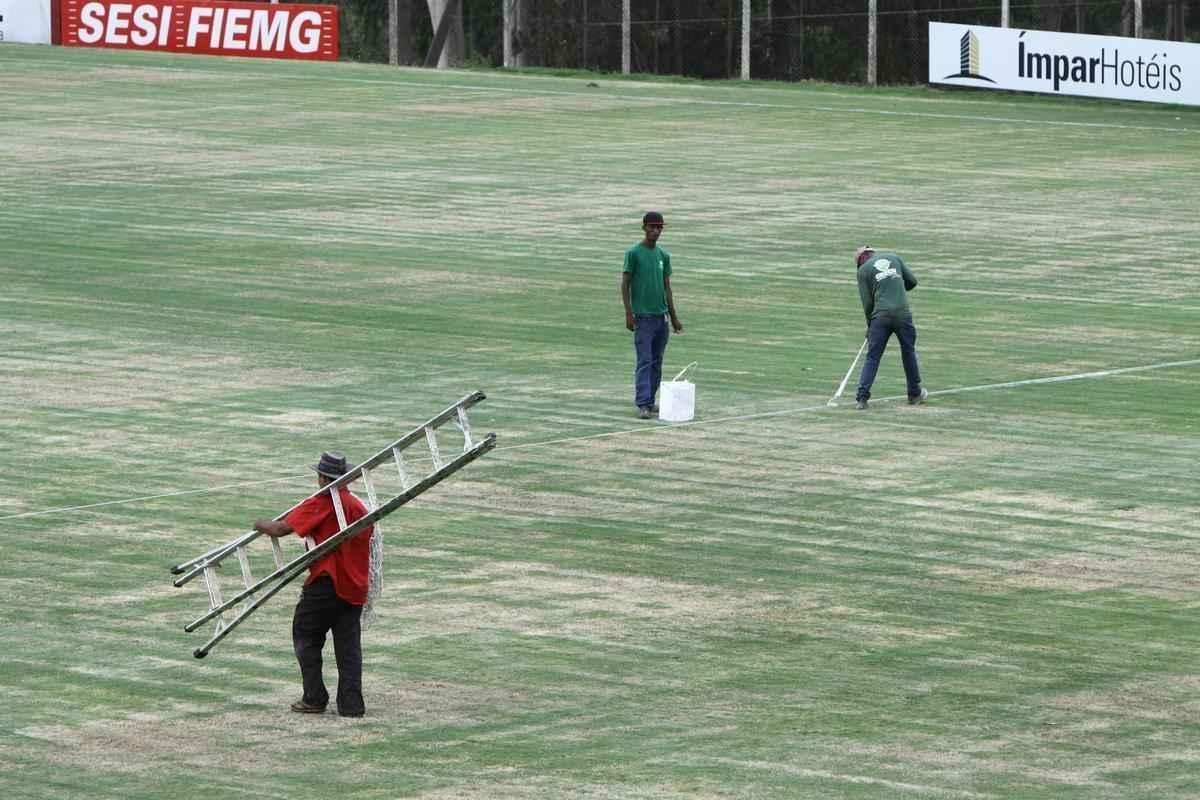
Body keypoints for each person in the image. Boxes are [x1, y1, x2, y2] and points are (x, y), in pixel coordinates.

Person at [254, 451, 375, 717]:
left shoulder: (322, 502)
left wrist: (258, 524)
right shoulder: (357, 506)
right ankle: (351, 706)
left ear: (324, 478)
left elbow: (280, 529)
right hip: (354, 587)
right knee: (348, 648)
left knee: (305, 636)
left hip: (325, 584)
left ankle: (314, 697)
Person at [621, 211, 683, 419]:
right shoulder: (634, 254)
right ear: (644, 228)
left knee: (657, 361)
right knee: (645, 360)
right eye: (652, 227)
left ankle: (650, 400)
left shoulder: (663, 256)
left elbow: (667, 288)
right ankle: (643, 403)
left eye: (659, 228)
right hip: (643, 317)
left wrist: (673, 317)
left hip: (661, 318)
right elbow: (625, 284)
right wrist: (629, 313)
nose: (656, 231)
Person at [853, 245, 928, 410]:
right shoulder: (894, 258)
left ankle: (862, 398)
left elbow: (867, 303)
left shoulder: (863, 271)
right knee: (908, 352)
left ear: (861, 260)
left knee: (873, 358)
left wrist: (870, 325)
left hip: (880, 318)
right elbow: (912, 282)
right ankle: (914, 394)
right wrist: (896, 287)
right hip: (902, 314)